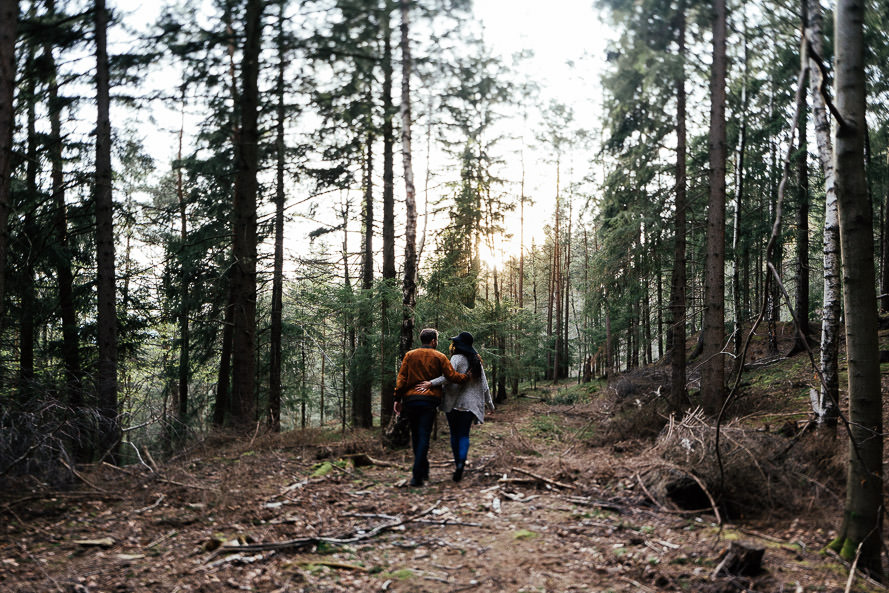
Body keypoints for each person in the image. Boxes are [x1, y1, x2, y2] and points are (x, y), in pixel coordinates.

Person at [394, 328, 471, 487]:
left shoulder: (409, 355)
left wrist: (397, 399)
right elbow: (452, 377)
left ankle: (423, 469)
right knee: (423, 437)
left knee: (415, 436)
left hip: (410, 400)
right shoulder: (440, 356)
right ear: (434, 341)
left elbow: (401, 378)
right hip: (428, 402)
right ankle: (417, 475)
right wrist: (466, 377)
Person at [422, 331, 494, 483]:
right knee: (464, 435)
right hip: (470, 406)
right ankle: (461, 463)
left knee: (454, 435)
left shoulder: (456, 358)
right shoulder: (476, 360)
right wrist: (490, 404)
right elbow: (485, 385)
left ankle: (458, 463)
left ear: (459, 345)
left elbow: (448, 377)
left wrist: (431, 383)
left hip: (454, 404)